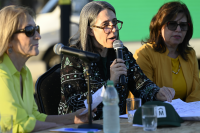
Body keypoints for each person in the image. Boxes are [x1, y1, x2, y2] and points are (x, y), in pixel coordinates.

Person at [58, 1, 175, 120]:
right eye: (106, 25)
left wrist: (157, 93)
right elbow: (76, 104)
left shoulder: (121, 52)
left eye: (114, 23)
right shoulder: (74, 56)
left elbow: (140, 84)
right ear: (90, 30)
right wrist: (110, 83)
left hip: (115, 124)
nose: (113, 29)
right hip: (78, 126)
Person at [0, 5, 95, 133]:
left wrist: (73, 118)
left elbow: (35, 117)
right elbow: (21, 124)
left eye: (37, 29)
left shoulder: (25, 72)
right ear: (9, 38)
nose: (38, 36)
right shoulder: (2, 74)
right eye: (29, 31)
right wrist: (63, 127)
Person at [133, 1, 200, 102]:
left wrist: (186, 112)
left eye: (183, 25)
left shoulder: (190, 54)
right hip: (157, 114)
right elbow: (142, 93)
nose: (178, 29)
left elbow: (196, 93)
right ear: (159, 26)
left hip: (186, 116)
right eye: (172, 24)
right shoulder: (145, 54)